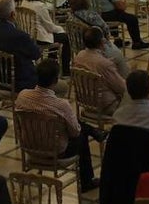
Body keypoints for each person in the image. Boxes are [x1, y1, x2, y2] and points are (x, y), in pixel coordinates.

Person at [15, 59, 100, 192]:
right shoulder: (61, 105)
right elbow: (75, 133)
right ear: (55, 81)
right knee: (81, 134)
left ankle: (94, 131)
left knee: (77, 126)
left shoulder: (22, 96)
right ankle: (87, 181)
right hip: (55, 150)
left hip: (29, 146)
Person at [0, 0, 42, 91]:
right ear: (13, 14)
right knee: (60, 86)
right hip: (23, 82)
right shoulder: (20, 36)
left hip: (1, 80)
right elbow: (36, 54)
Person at [73, 27, 127, 113]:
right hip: (105, 106)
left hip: (85, 102)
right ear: (102, 42)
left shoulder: (78, 56)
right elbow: (121, 88)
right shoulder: (104, 64)